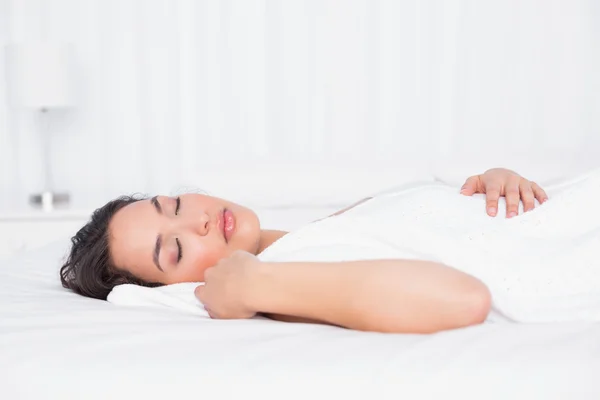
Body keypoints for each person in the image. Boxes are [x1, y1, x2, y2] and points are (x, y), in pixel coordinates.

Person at [60, 168, 549, 334]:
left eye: (177, 205)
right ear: (185, 287)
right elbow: (462, 299)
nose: (199, 219)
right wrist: (252, 286)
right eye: (177, 248)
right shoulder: (284, 278)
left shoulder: (316, 232)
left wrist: (495, 180)